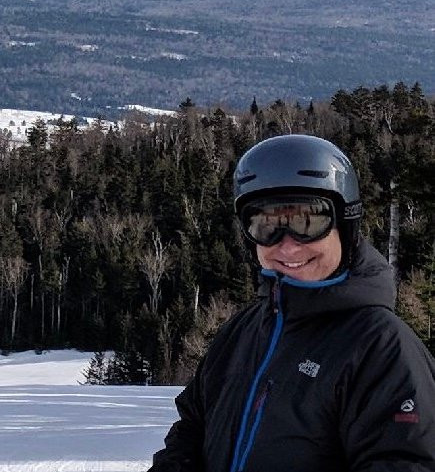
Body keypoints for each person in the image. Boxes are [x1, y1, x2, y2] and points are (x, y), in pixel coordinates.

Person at [148, 134, 435, 472]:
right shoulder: (243, 331)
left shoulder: (381, 347)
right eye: (266, 226)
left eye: (307, 223)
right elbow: (191, 429)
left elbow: (406, 462)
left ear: (345, 225)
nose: (287, 246)